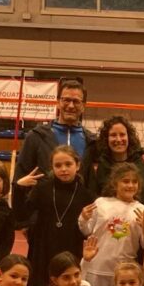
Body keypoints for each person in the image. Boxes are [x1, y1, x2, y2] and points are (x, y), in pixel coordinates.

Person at [13, 145, 95, 286]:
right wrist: (18, 188)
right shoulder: (42, 189)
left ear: (77, 165)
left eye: (68, 164)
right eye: (58, 165)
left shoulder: (86, 195)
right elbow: (21, 215)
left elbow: (87, 230)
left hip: (71, 250)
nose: (63, 169)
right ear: (52, 167)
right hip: (43, 250)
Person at [14, 76, 94, 221]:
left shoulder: (92, 141)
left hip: (79, 220)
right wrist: (24, 223)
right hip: (42, 219)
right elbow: (21, 177)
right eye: (66, 100)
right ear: (58, 102)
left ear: (83, 105)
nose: (71, 105)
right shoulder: (36, 136)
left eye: (76, 101)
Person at [77, 162, 144, 286]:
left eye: (134, 182)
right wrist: (84, 218)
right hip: (97, 267)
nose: (130, 185)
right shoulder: (101, 203)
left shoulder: (142, 209)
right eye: (125, 181)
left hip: (124, 271)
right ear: (115, 183)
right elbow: (86, 230)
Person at [81, 115, 144, 204]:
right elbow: (92, 199)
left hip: (143, 212)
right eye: (113, 135)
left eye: (122, 134)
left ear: (129, 136)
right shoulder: (98, 166)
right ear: (106, 139)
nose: (118, 139)